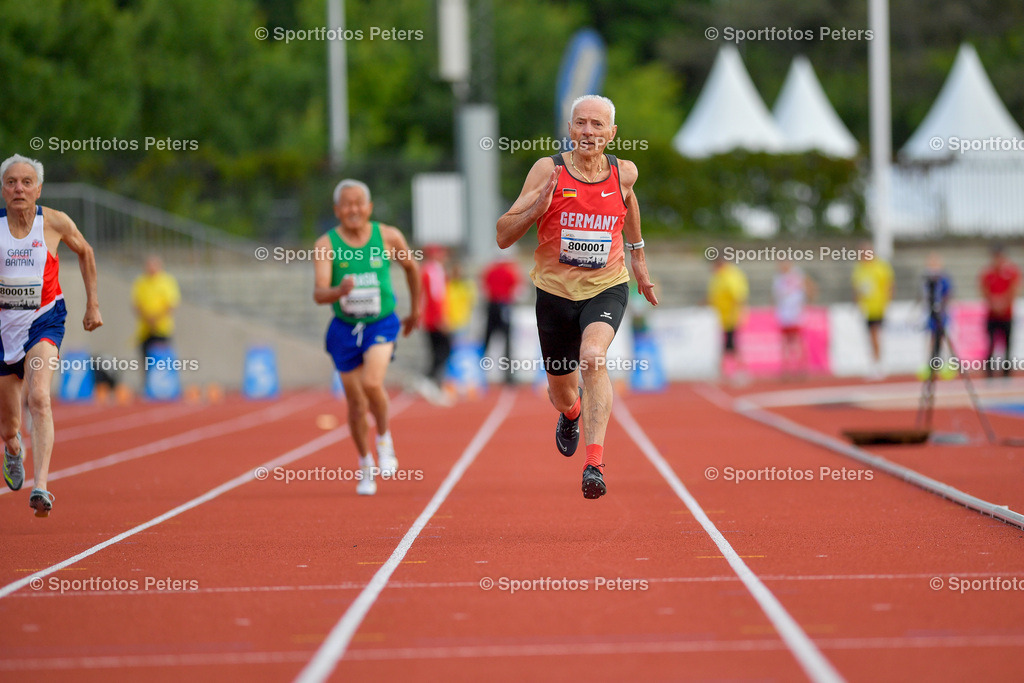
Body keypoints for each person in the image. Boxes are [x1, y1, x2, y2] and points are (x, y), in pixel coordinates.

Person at [496, 94, 658, 499]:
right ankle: (571, 413)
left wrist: (637, 257)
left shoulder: (625, 172)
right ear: (570, 130)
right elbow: (502, 235)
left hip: (606, 285)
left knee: (593, 356)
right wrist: (536, 208)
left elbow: (629, 200)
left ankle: (595, 463)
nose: (589, 132)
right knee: (562, 391)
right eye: (581, 123)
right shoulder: (547, 170)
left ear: (612, 133)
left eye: (597, 125)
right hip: (554, 293)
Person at [0, 154, 103, 516]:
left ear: (38, 189)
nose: (19, 189)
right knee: (9, 426)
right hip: (2, 331)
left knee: (39, 397)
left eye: (26, 182)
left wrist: (93, 305)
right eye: (11, 182)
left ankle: (40, 485)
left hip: (44, 321)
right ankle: (13, 450)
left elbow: (86, 251)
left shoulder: (54, 223)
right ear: (3, 189)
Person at [313, 179, 420, 496]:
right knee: (356, 405)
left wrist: (416, 311)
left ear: (369, 207)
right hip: (344, 329)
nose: (353, 209)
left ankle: (384, 441)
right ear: (337, 210)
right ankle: (364, 465)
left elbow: (412, 269)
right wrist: (338, 291)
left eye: (359, 202)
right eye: (346, 204)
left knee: (373, 384)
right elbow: (319, 293)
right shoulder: (326, 244)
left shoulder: (388, 236)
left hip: (380, 323)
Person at [132, 254, 180, 373]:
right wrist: (147, 318)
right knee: (146, 360)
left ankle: (164, 385)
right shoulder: (141, 282)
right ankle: (148, 386)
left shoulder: (167, 281)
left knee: (162, 360)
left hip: (162, 328)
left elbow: (171, 303)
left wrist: (156, 318)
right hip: (145, 329)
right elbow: (136, 303)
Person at [852, 243, 894, 380]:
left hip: (878, 307)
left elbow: (889, 286)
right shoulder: (859, 269)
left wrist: (887, 303)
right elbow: (857, 289)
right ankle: (875, 363)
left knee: (875, 335)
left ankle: (878, 365)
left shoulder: (881, 267)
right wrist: (857, 304)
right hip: (867, 309)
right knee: (870, 337)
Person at [979, 244, 1020, 379]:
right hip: (992, 316)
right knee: (991, 344)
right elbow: (984, 290)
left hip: (1007, 315)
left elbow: (1014, 290)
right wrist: (994, 303)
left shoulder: (1011, 272)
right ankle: (989, 372)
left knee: (1007, 344)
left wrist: (1003, 303)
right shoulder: (987, 273)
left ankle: (1006, 373)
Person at [481, 255, 522, 384]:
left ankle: (480, 372)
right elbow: (518, 291)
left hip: (492, 305)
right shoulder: (510, 271)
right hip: (504, 305)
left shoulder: (490, 271)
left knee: (487, 340)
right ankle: (508, 375)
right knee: (507, 342)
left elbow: (484, 288)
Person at [708, 254, 749, 383]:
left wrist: (738, 314)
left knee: (732, 345)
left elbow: (738, 297)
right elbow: (714, 296)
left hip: (731, 317)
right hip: (722, 318)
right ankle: (725, 372)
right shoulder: (718, 277)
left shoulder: (730, 276)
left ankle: (740, 371)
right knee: (726, 345)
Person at [772, 260, 815, 380]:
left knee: (798, 341)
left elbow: (809, 285)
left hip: (796, 314)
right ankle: (787, 369)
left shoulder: (797, 274)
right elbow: (776, 296)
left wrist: (809, 299)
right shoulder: (778, 278)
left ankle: (802, 368)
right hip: (784, 315)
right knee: (786, 342)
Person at [420, 245, 451, 388]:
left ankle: (432, 379)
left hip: (430, 316)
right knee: (443, 349)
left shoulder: (430, 270)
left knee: (437, 350)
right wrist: (440, 318)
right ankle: (430, 379)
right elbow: (435, 296)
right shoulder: (433, 271)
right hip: (433, 318)